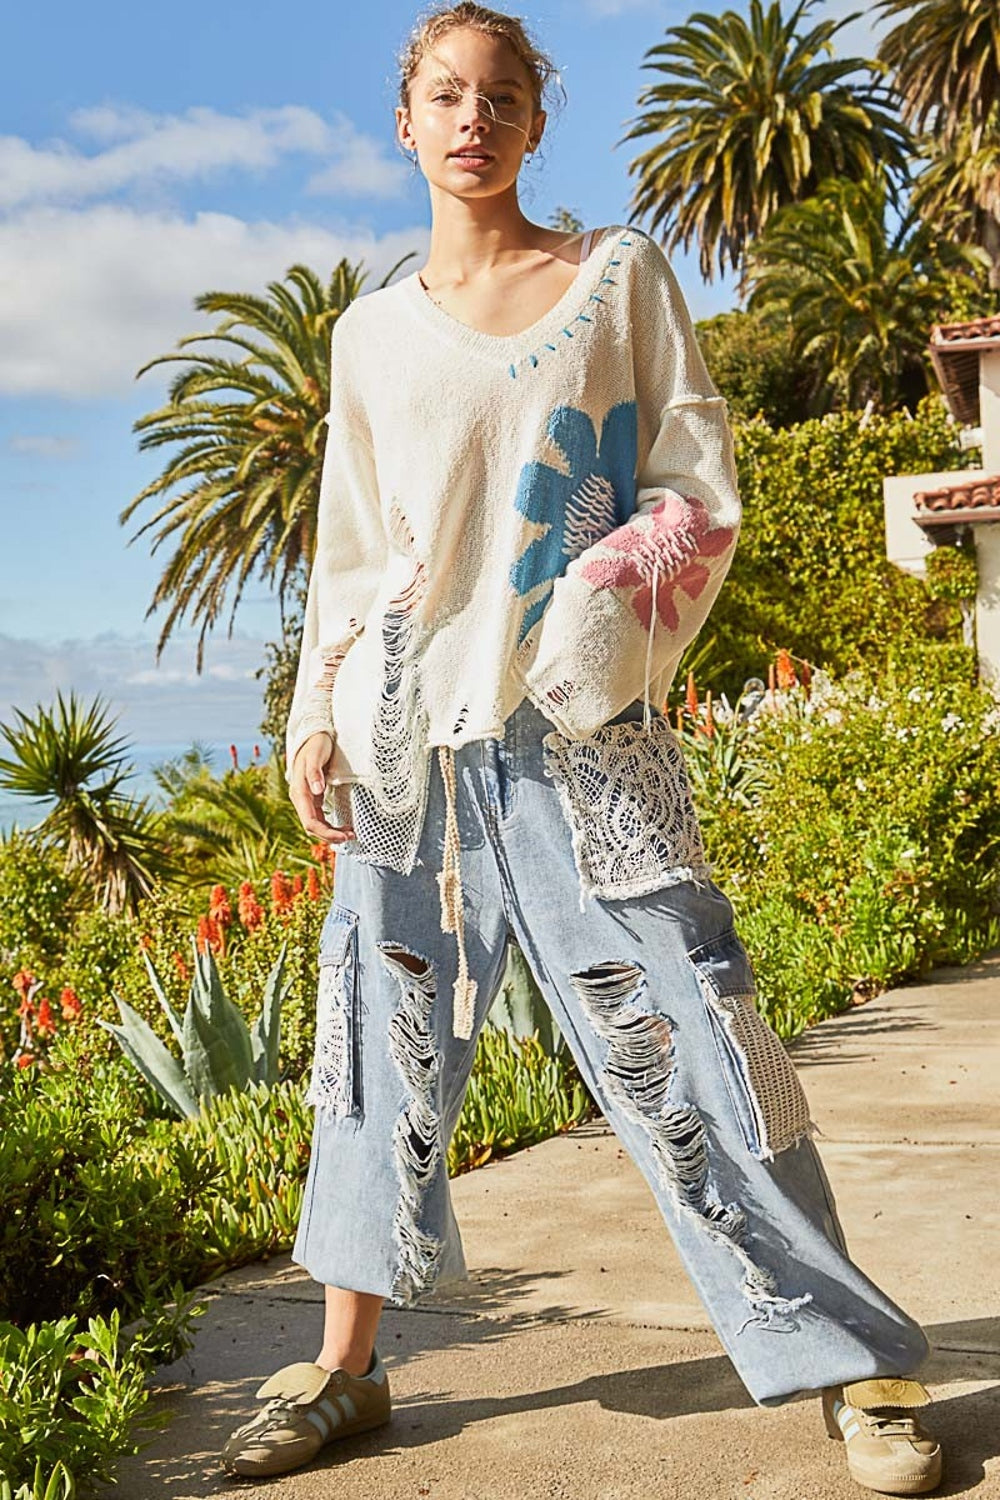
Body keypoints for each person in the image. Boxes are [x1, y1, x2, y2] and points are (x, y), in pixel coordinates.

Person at [221, 4, 944, 1493]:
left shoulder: (620, 278)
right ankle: (343, 1366)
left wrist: (612, 602)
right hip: (404, 747)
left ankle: (854, 1367)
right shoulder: (367, 336)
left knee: (700, 1030)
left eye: (501, 95)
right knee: (374, 1054)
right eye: (445, 94)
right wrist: (312, 719)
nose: (473, 118)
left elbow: (695, 481)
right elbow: (349, 561)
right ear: (404, 121)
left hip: (584, 737)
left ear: (537, 121)